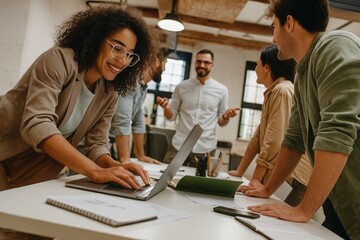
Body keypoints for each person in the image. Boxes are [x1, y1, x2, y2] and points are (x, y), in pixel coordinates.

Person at [237, 0, 360, 239]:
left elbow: (337, 130)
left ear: (289, 23)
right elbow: (294, 139)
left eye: (274, 27)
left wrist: (304, 209)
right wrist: (267, 188)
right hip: (340, 202)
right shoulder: (302, 71)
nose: (273, 38)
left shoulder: (335, 46)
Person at [0, 7, 155, 191]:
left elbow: (96, 145)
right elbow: (37, 123)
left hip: (28, 170)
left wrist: (114, 165)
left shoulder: (109, 92)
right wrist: (95, 172)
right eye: (117, 48)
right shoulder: (59, 61)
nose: (122, 61)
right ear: (96, 39)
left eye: (129, 54)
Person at [229, 44, 312, 207]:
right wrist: (240, 171)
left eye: (258, 64)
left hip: (296, 179)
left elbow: (274, 141)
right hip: (287, 175)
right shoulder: (273, 91)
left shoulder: (282, 91)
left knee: (280, 225)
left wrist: (255, 180)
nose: (255, 68)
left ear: (267, 67)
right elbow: (258, 137)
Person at [156, 49, 240, 167]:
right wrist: (165, 108)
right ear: (195, 63)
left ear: (212, 65)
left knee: (199, 184)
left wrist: (226, 116)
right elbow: (171, 117)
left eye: (206, 62)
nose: (201, 65)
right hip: (179, 145)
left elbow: (221, 121)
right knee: (164, 177)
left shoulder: (222, 90)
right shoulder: (182, 87)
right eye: (199, 61)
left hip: (205, 148)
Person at [109, 49, 168, 164]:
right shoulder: (131, 82)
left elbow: (138, 121)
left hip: (109, 143)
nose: (164, 69)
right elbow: (122, 122)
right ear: (156, 62)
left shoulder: (142, 86)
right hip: (97, 143)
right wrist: (125, 160)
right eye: (164, 64)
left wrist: (141, 155)